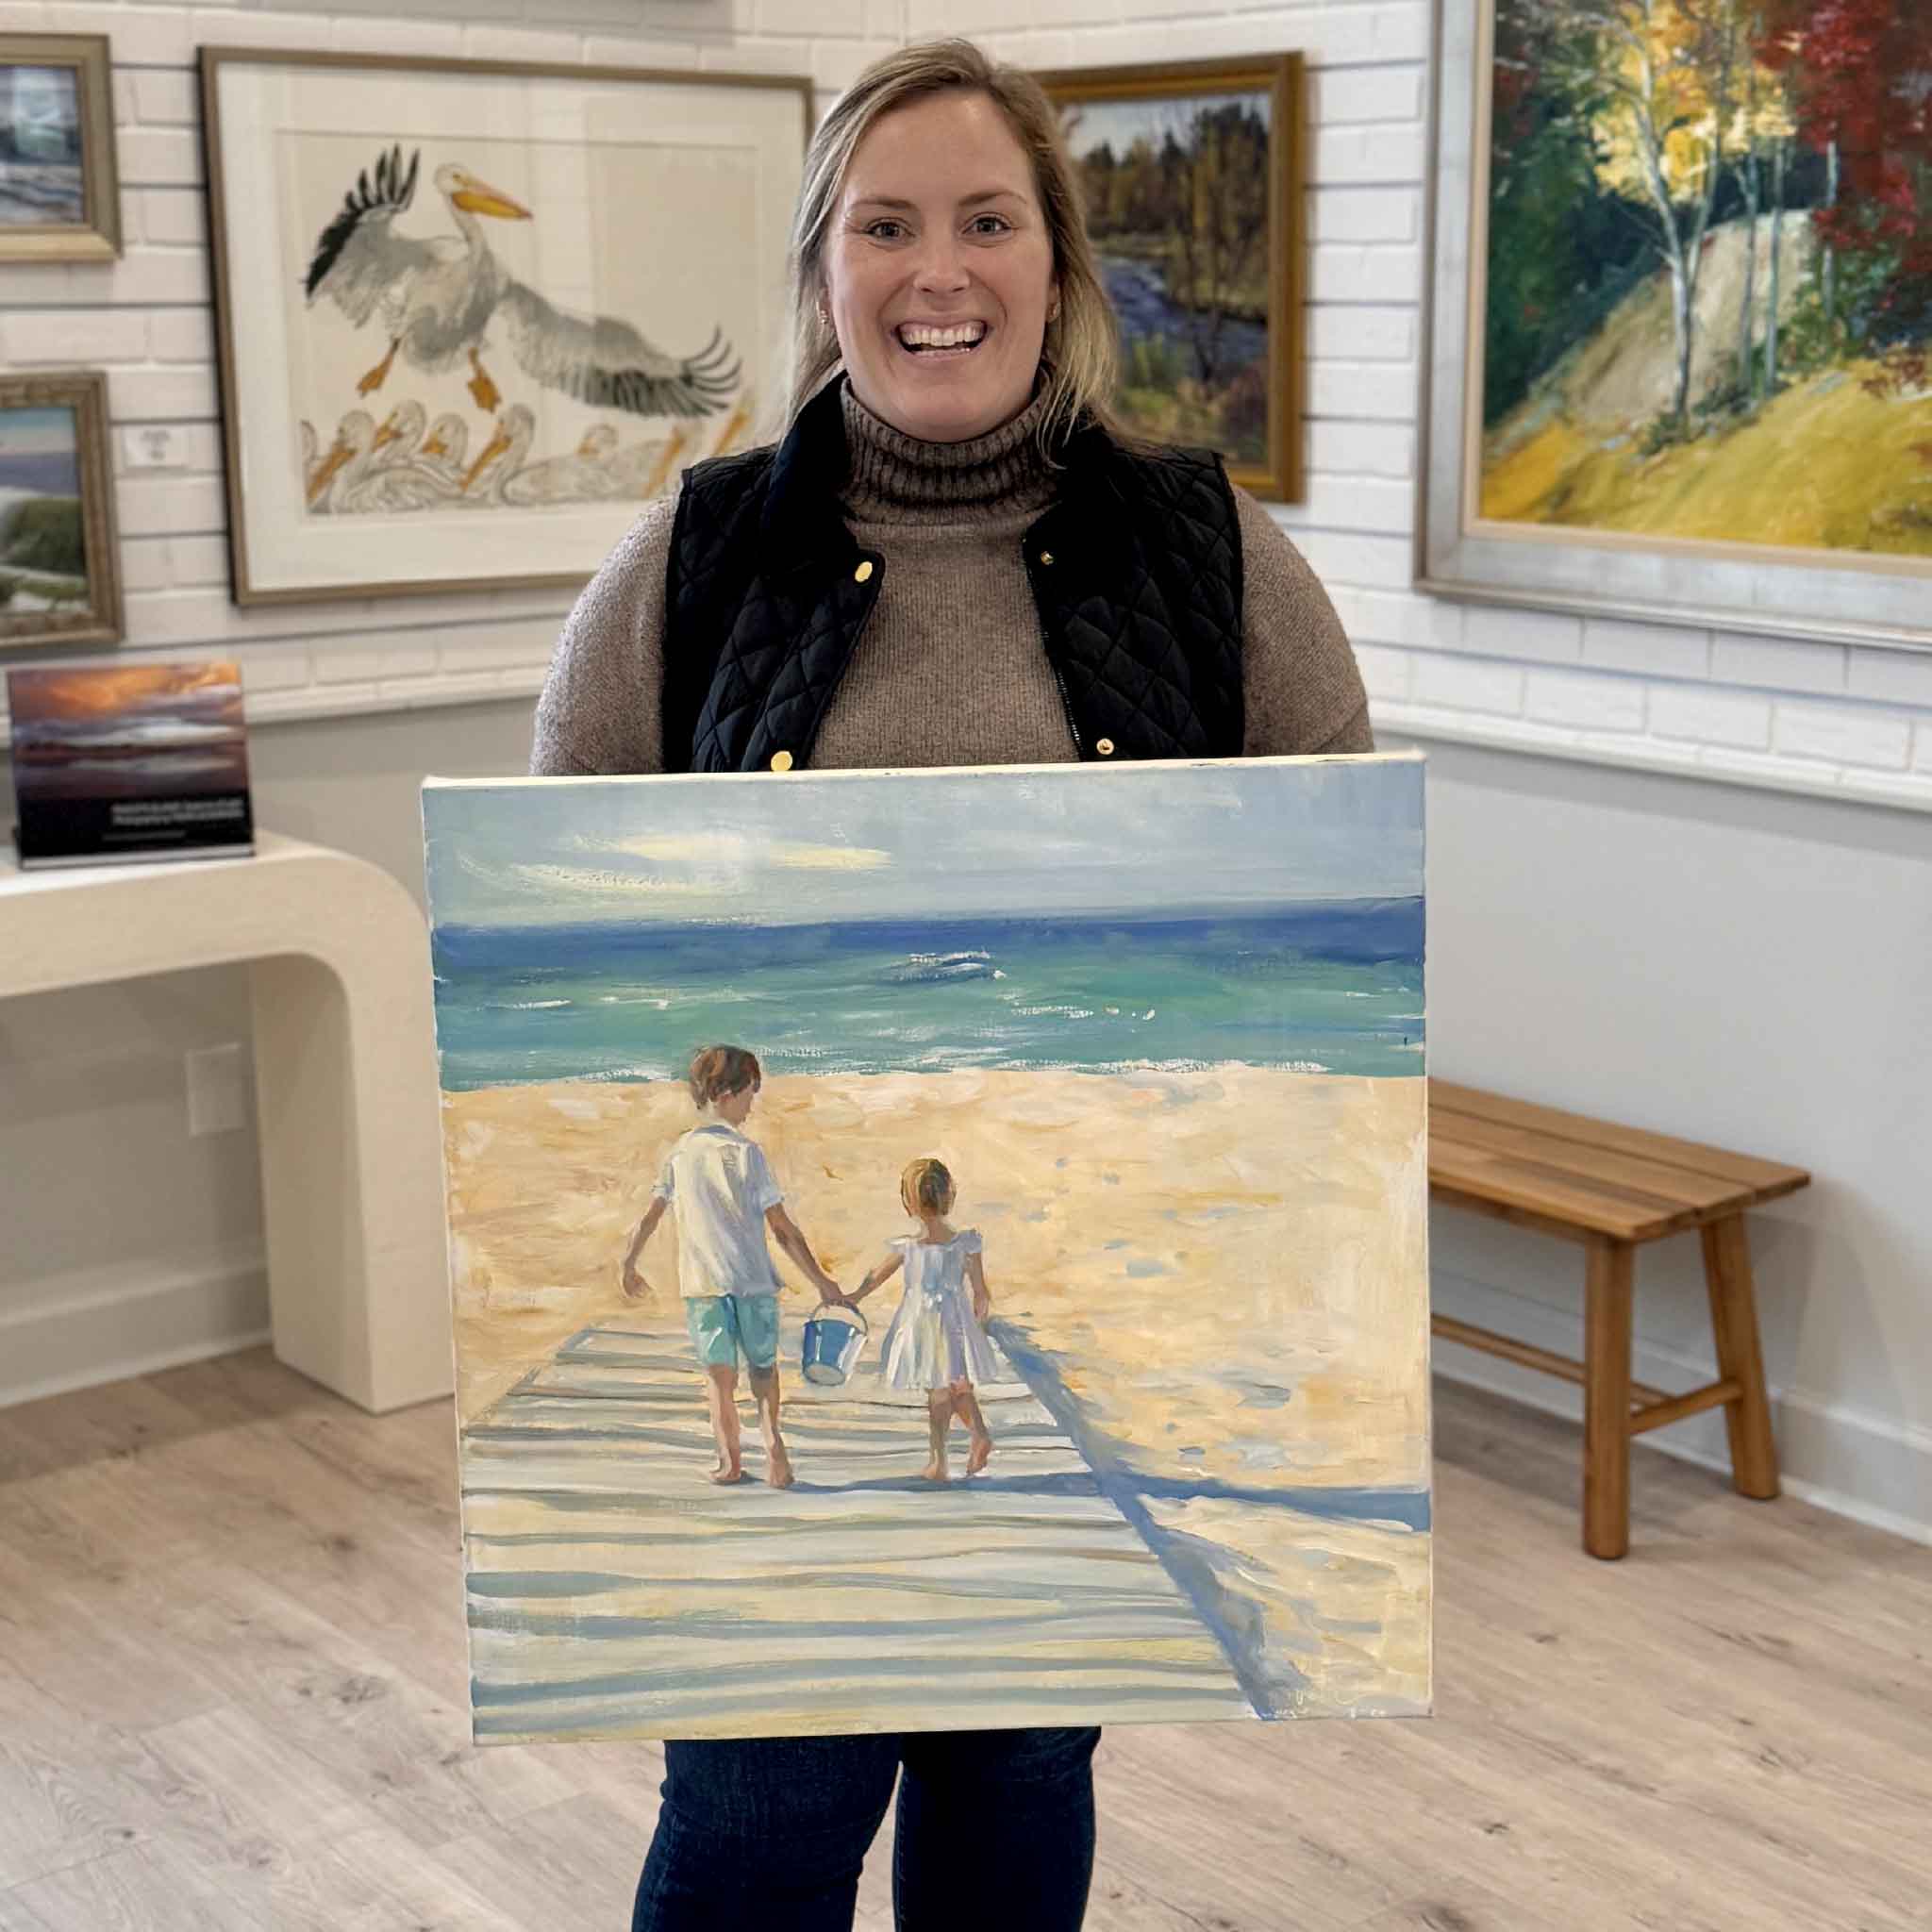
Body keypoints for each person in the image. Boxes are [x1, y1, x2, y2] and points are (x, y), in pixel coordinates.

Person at [532, 36, 1372, 1931]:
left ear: (1058, 267)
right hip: (783, 1333)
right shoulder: (690, 560)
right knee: (759, 1803)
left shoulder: (1209, 555)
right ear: (824, 270)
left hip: (1081, 1310)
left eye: (989, 221)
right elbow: (570, 945)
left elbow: (1320, 953)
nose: (939, 271)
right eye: (886, 224)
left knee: (1019, 1770)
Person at [620, 1043, 842, 1489]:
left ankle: (730, 1461)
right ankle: (774, 1446)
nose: (751, 1105)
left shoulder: (681, 1153)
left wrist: (629, 1262)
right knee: (762, 1370)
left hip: (703, 1285)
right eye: (749, 1095)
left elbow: (652, 1214)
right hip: (754, 1282)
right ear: (726, 1095)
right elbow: (782, 1229)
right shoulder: (747, 1154)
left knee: (719, 1378)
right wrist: (821, 1282)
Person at [847, 1157, 997, 1482]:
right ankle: (976, 1436)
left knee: (941, 1392)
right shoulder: (965, 1244)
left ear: (908, 1203)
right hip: (953, 1321)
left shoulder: (909, 1248)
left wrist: (852, 1299)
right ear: (950, 1196)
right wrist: (979, 1318)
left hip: (925, 1324)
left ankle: (940, 1460)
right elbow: (981, 1291)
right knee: (956, 1387)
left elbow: (874, 1278)